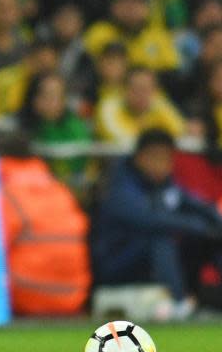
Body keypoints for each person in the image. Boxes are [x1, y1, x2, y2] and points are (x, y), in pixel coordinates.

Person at [91, 128, 222, 319]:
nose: (162, 165)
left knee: (211, 238)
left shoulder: (166, 184)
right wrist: (199, 226)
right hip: (116, 263)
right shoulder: (119, 187)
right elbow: (150, 219)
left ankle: (204, 299)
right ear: (140, 157)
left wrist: (215, 224)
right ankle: (179, 305)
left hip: (151, 263)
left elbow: (197, 205)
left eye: (167, 159)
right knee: (161, 237)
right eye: (156, 157)